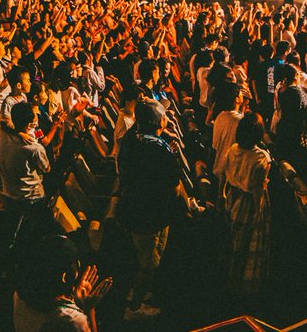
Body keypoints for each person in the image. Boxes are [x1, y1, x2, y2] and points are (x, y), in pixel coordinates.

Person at [115, 99, 183, 318]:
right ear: (157, 122)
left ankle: (140, 290)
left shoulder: (131, 139)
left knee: (149, 257)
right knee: (149, 263)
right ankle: (134, 308)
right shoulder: (159, 148)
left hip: (134, 210)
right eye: (163, 116)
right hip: (150, 215)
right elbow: (174, 186)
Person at [13, 234, 112, 332]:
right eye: (75, 263)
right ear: (66, 277)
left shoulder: (20, 296)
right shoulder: (72, 321)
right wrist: (89, 309)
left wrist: (76, 303)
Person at [223, 113, 271, 296]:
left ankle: (229, 278)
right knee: (248, 244)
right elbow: (258, 189)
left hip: (232, 196)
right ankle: (244, 285)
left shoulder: (233, 149)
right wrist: (258, 212)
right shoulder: (261, 158)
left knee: (232, 241)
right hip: (248, 203)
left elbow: (225, 174)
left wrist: (221, 195)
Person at [0, 101, 51, 203]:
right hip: (31, 197)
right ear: (29, 125)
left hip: (8, 193)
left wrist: (19, 133)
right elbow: (46, 168)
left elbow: (2, 123)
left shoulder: (1, 132)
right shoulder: (34, 148)